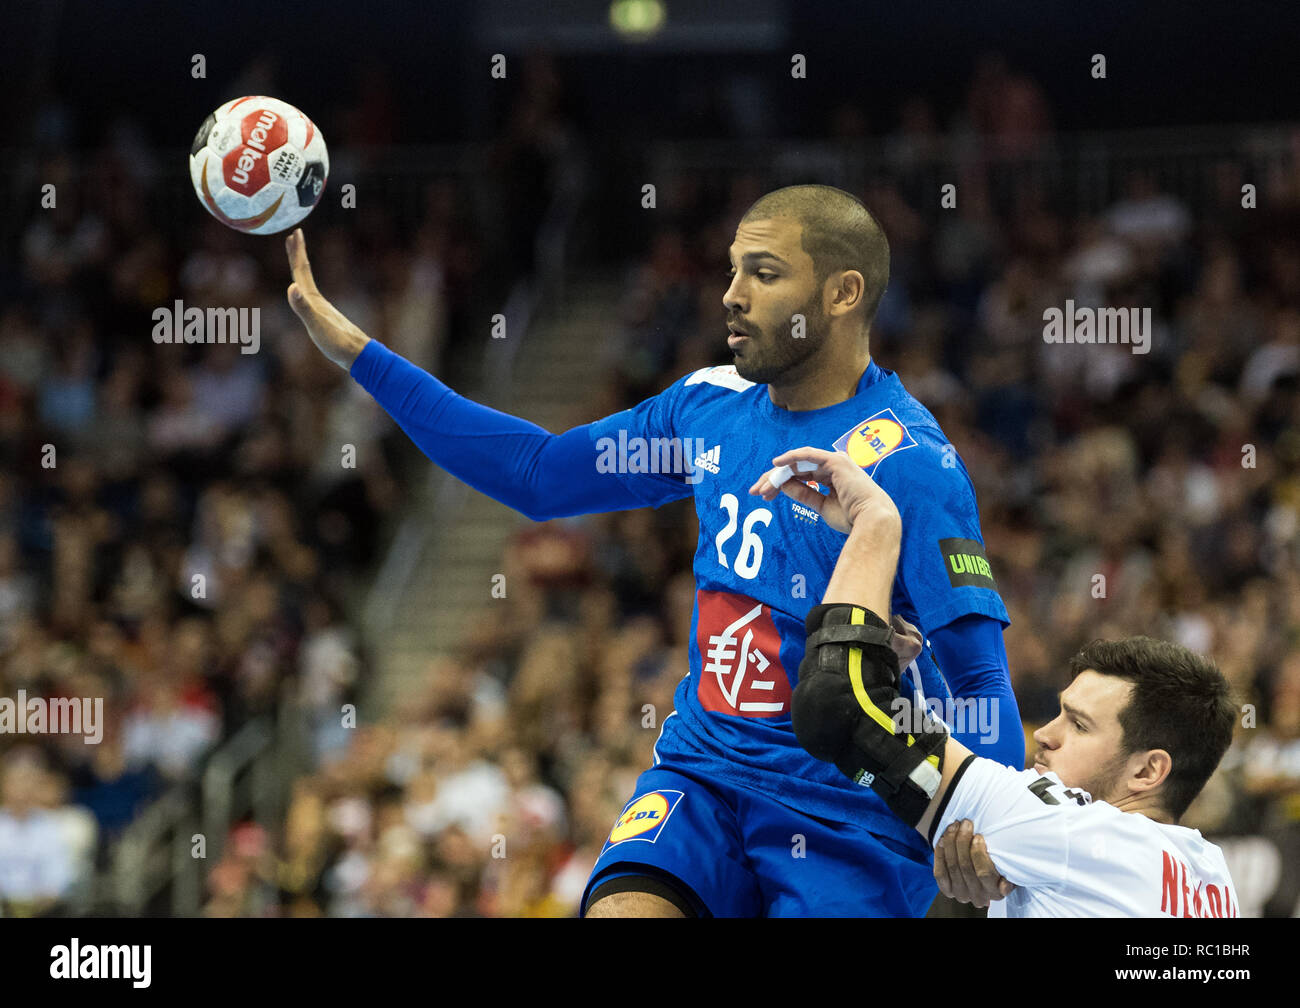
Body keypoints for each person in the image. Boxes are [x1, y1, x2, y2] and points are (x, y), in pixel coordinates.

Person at [284, 184, 1022, 917]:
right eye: (732, 270)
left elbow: (982, 679)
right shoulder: (707, 407)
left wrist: (999, 828)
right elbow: (538, 475)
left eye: (764, 274)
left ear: (842, 293)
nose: (731, 295)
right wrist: (360, 355)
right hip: (703, 777)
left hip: (850, 816)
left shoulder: (913, 461)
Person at [755, 446, 1240, 917]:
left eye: (1080, 726)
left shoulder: (1073, 830)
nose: (1045, 736)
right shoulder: (1211, 877)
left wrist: (875, 522)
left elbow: (838, 708)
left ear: (1148, 771)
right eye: (1060, 714)